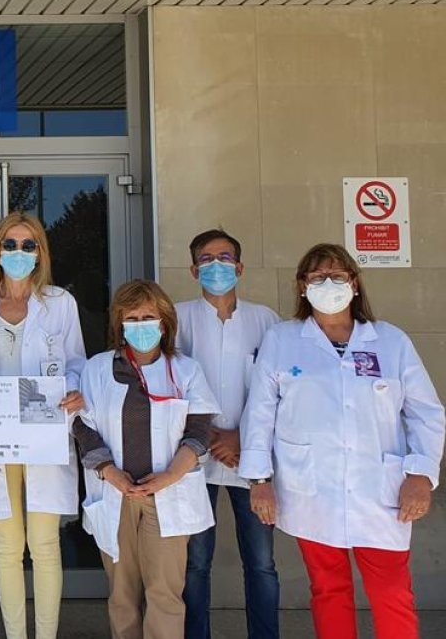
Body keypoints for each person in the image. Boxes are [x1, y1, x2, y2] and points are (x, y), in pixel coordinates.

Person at [240, 243, 444, 639]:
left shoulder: (390, 341)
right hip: (311, 489)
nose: (328, 284)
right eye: (317, 277)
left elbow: (426, 412)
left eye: (337, 275)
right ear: (302, 286)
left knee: (392, 592)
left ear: (354, 283)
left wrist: (421, 474)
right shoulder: (283, 340)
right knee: (328, 590)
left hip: (381, 491)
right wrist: (259, 480)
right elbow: (260, 413)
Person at [0, 213, 86, 639]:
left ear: (41, 253)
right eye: (10, 244)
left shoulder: (60, 303)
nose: (19, 253)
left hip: (44, 438)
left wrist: (77, 391)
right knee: (7, 546)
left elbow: (77, 362)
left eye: (29, 245)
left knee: (44, 545)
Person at [73, 279, 219, 639]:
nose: (141, 325)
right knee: (122, 595)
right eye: (132, 318)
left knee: (165, 595)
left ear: (164, 322)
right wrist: (111, 473)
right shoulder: (97, 368)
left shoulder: (185, 370)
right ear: (119, 324)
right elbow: (82, 428)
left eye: (148, 317)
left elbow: (200, 431)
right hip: (115, 495)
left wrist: (169, 476)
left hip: (167, 495)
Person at [176, 229, 281, 639]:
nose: (216, 265)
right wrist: (209, 436)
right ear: (192, 269)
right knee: (195, 561)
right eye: (206, 258)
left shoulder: (266, 320)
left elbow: (274, 391)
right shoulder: (176, 318)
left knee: (261, 562)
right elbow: (168, 385)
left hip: (249, 458)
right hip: (193, 458)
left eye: (224, 257)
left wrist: (240, 438)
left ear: (240, 267)